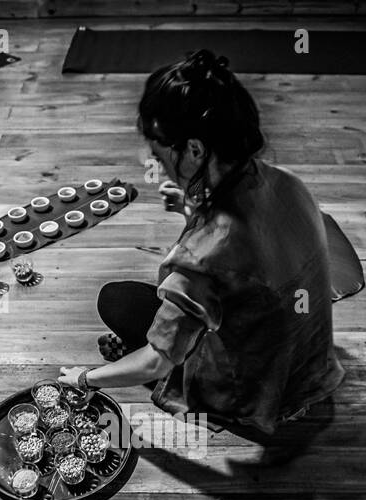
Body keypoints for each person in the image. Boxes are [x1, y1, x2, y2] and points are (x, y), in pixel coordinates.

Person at [57, 49, 345, 439]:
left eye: (160, 156)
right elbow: (253, 244)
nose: (158, 167)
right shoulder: (288, 181)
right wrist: (194, 209)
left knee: (117, 302)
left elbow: (155, 363)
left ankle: (223, 405)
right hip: (309, 371)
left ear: (194, 150)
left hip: (254, 396)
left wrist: (85, 378)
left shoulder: (203, 254)